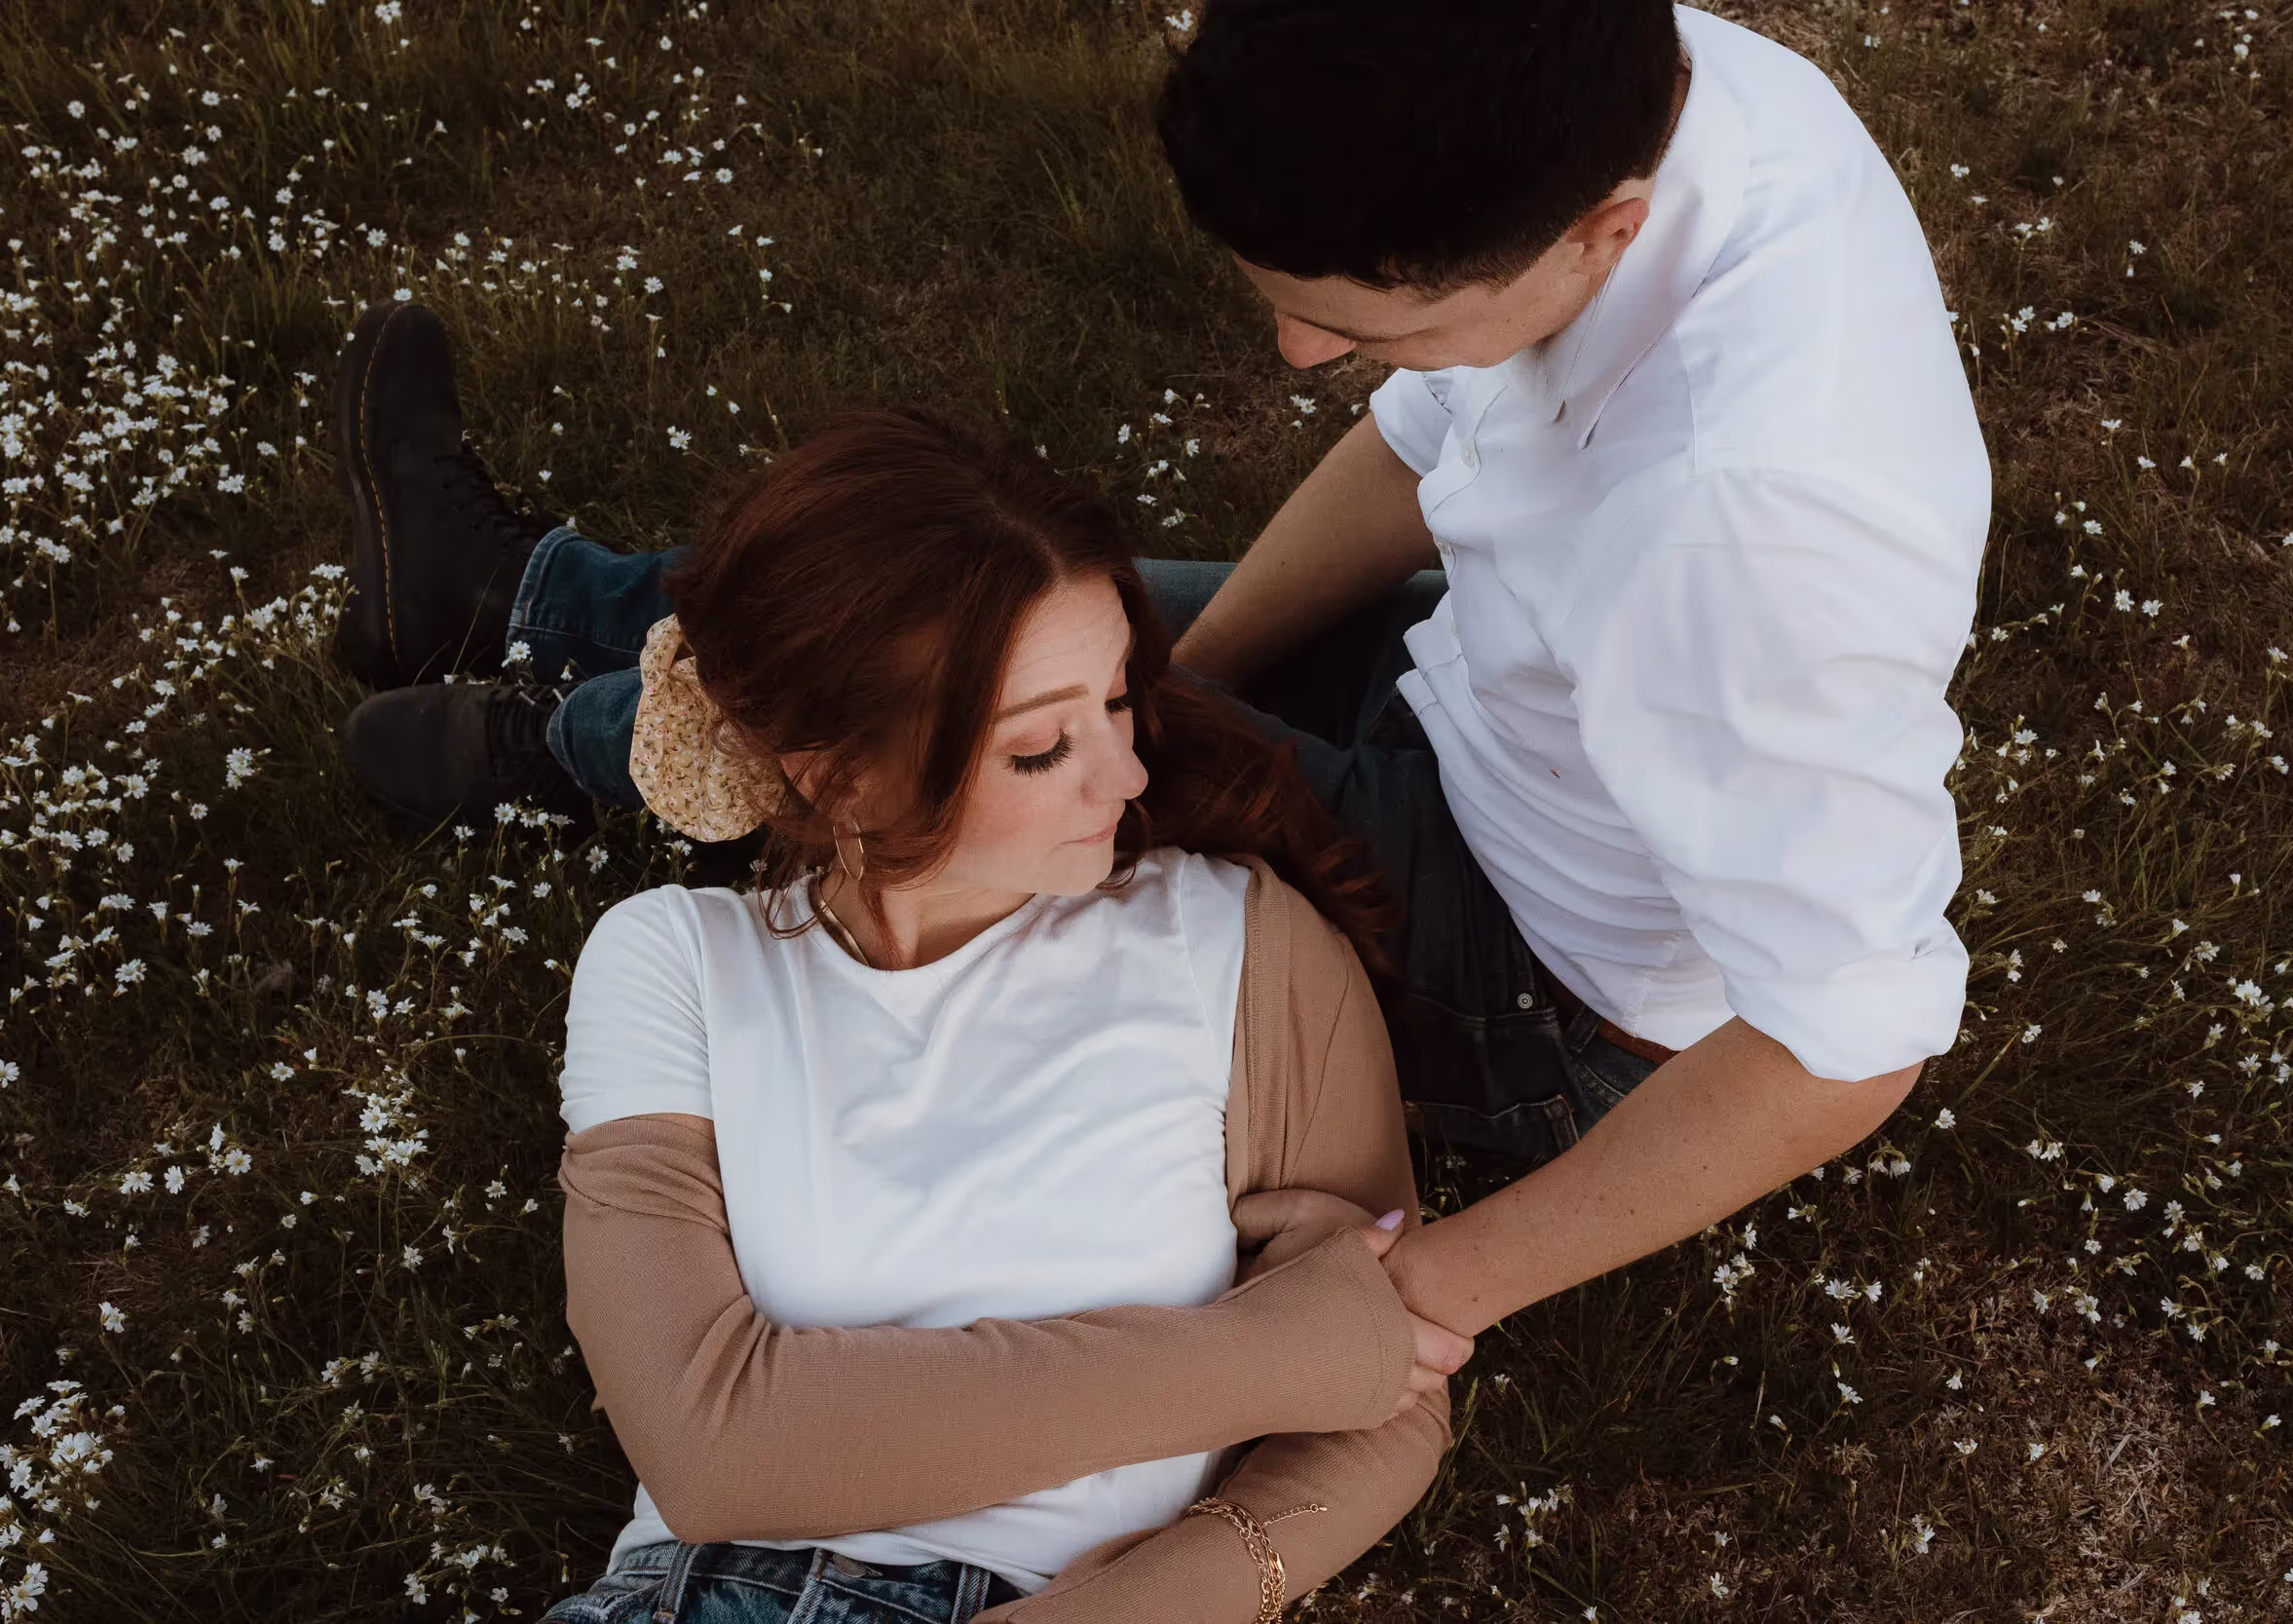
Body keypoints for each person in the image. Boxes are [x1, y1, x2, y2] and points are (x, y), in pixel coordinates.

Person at [340, 0, 1989, 1357]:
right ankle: (522, 597)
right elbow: (1425, 448)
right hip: (1500, 679)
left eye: (1360, 326)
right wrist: (1158, 683)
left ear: (1601, 234)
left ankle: (565, 745)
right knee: (968, 604)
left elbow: (1852, 1032)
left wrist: (1432, 1286)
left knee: (948, 702)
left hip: (1531, 974)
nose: (1297, 355)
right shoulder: (1626, 83)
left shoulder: (1753, 534)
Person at [540, 407, 1465, 1624]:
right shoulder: (673, 962)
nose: (1127, 773)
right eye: (1040, 748)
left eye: (1119, 701)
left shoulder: (1236, 941)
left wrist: (1148, 1604)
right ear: (838, 772)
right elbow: (710, 1449)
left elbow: (1389, 1392)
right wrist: (1277, 1352)